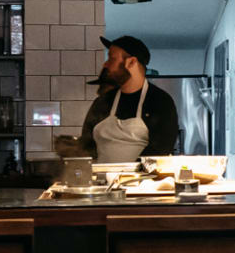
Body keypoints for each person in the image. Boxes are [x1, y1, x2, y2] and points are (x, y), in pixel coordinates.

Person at [76, 35, 180, 164]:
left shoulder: (160, 102)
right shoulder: (103, 102)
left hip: (142, 182)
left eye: (112, 58)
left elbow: (161, 150)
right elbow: (87, 144)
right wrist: (72, 151)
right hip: (101, 181)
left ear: (131, 62)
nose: (106, 64)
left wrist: (126, 173)